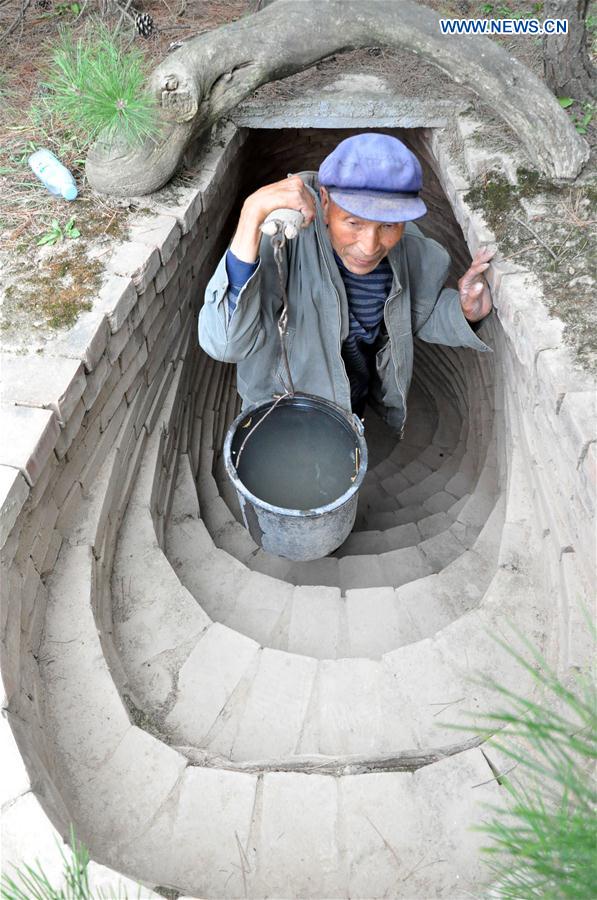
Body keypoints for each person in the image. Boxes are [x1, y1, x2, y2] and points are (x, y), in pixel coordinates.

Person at [198, 133, 494, 435]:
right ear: (325, 202)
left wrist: (464, 311)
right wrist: (251, 214)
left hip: (351, 399)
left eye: (389, 226)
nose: (370, 246)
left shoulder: (408, 252)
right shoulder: (283, 241)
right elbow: (225, 343)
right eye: (354, 223)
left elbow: (419, 313)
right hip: (279, 410)